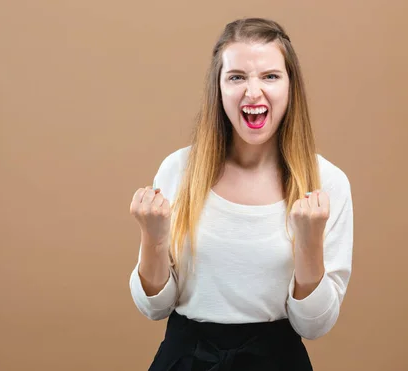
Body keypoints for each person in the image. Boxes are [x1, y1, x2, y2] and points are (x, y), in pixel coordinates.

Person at [128, 18, 354, 371]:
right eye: (237, 77)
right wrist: (152, 239)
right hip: (185, 360)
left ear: (290, 86)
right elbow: (154, 307)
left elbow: (314, 326)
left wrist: (310, 244)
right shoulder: (179, 170)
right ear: (218, 88)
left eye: (270, 76)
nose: (253, 92)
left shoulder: (327, 182)